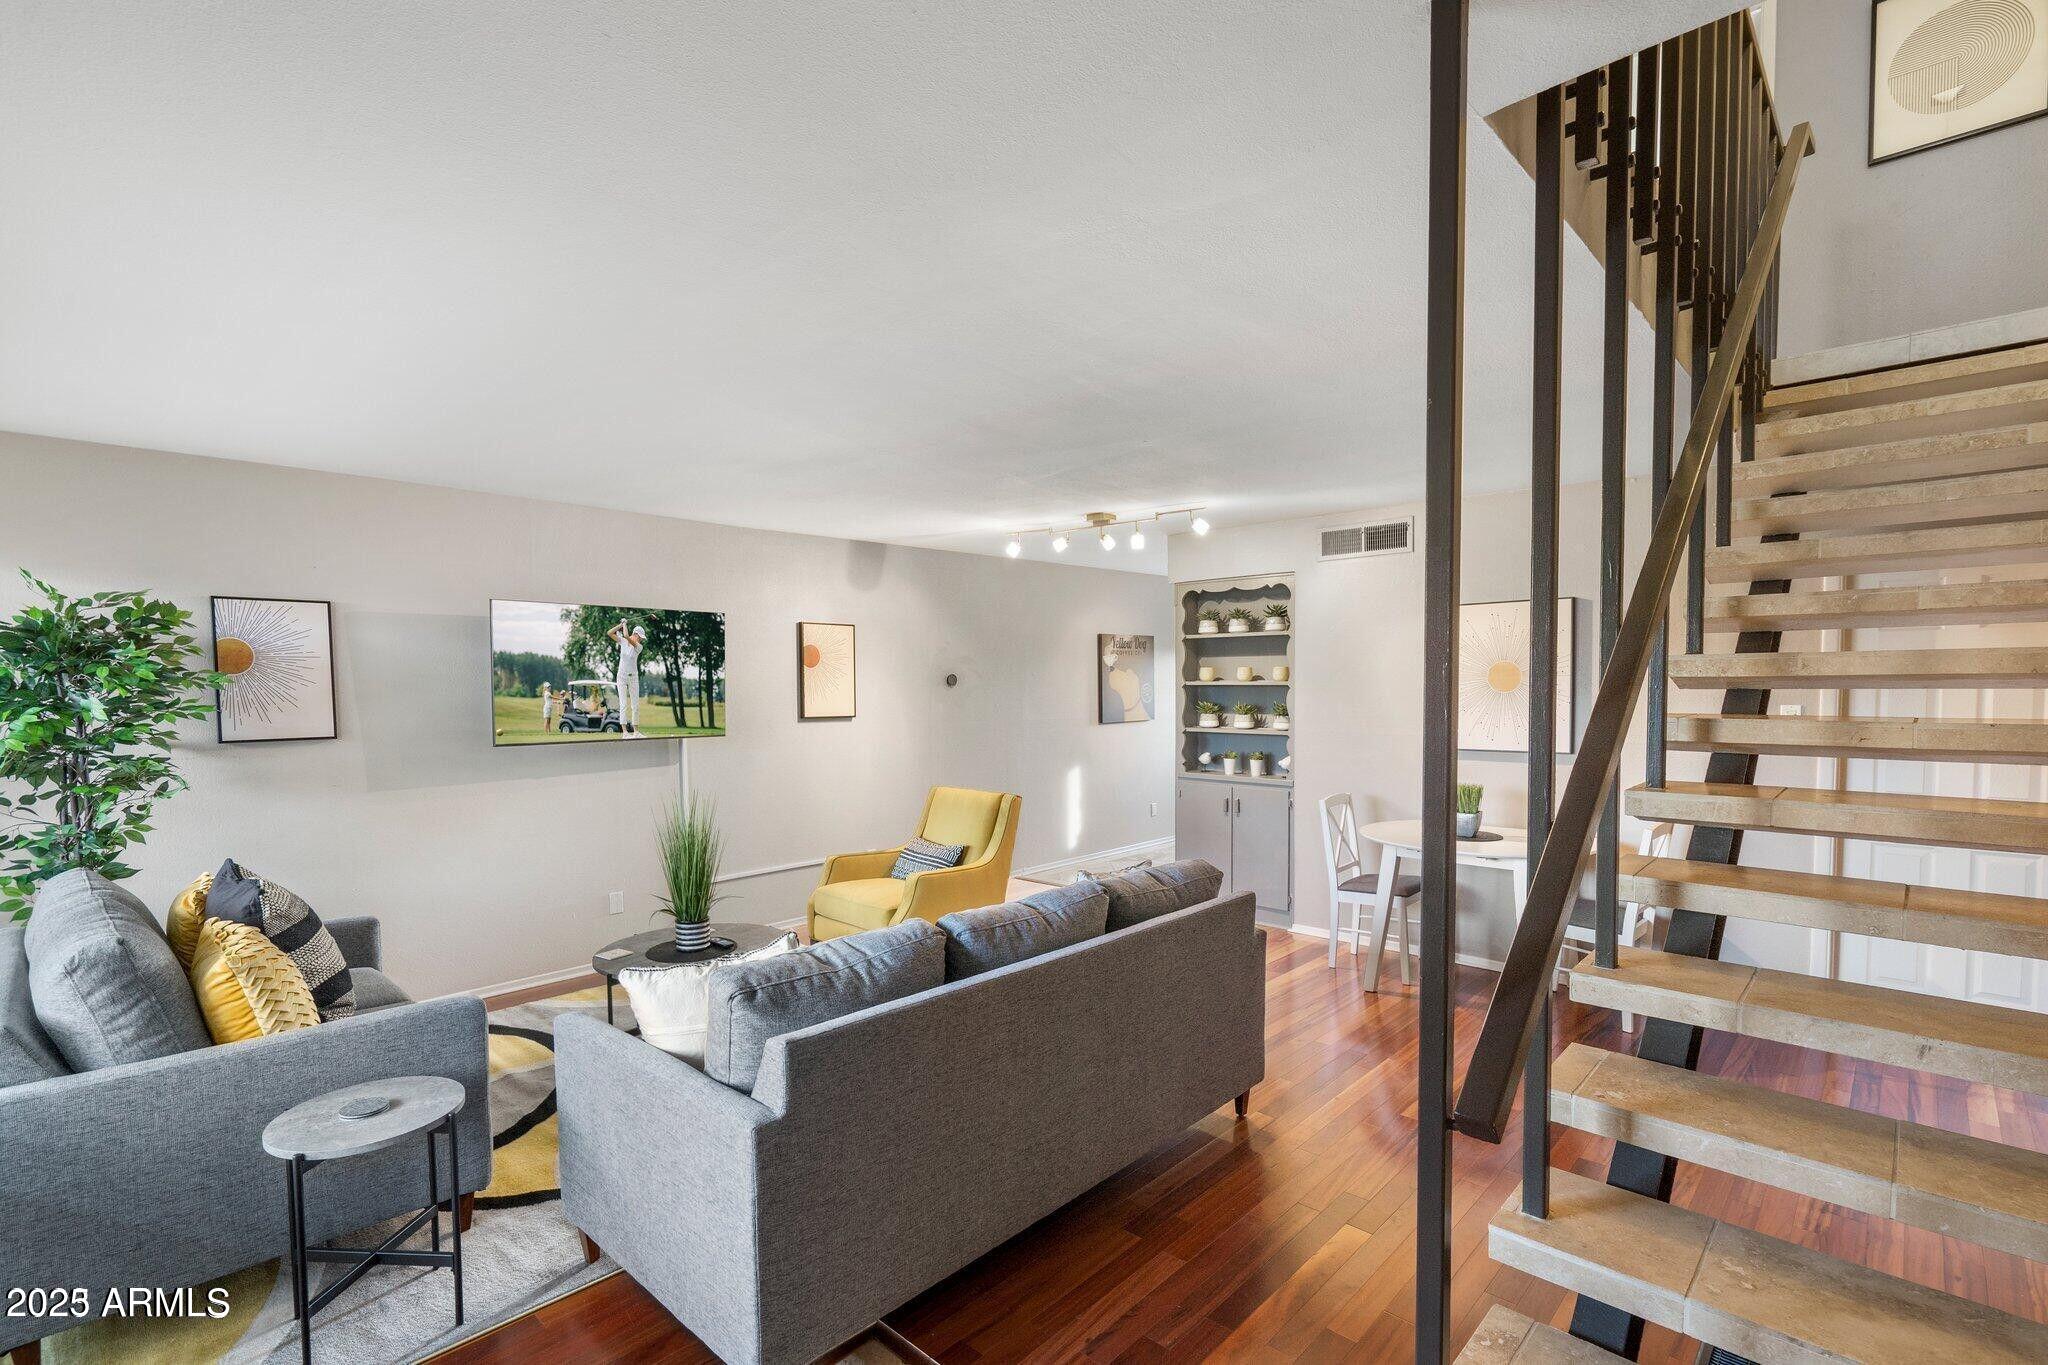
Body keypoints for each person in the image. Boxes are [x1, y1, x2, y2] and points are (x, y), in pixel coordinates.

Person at [608, 621, 646, 735]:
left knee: (635, 705)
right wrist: (620, 625)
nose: (641, 639)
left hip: (633, 677)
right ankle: (625, 732)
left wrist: (624, 625)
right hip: (621, 676)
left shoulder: (639, 647)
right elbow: (609, 633)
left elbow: (625, 635)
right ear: (635, 634)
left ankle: (636, 732)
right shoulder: (623, 642)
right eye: (640, 637)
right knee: (623, 704)